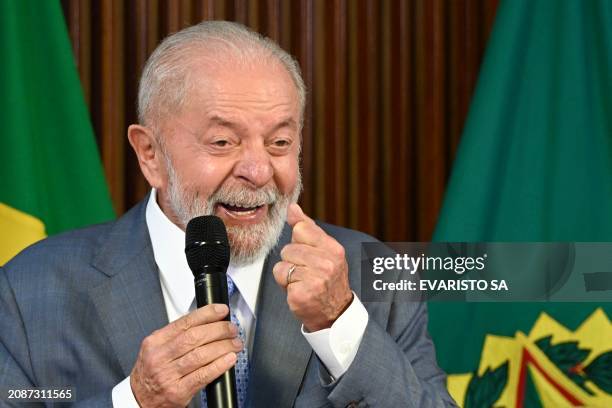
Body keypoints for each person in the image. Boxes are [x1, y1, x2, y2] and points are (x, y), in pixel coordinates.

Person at [0, 21, 456, 407]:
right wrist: (135, 401)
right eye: (223, 142)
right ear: (149, 154)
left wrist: (342, 327)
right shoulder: (29, 291)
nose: (259, 171)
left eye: (279, 142)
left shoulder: (372, 276)